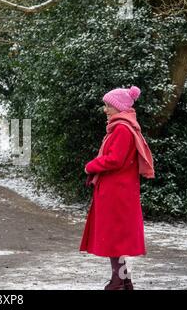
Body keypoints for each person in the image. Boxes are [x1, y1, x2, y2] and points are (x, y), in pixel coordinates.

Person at [80, 86, 155, 290]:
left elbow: (115, 159)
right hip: (119, 190)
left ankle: (118, 280)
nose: (105, 109)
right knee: (118, 238)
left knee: (116, 238)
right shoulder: (124, 126)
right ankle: (124, 279)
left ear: (119, 107)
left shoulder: (122, 129)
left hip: (116, 191)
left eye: (108, 105)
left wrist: (91, 166)